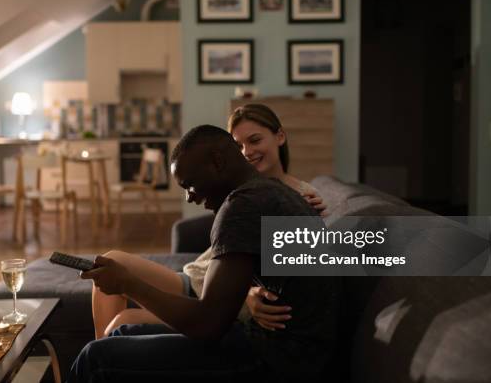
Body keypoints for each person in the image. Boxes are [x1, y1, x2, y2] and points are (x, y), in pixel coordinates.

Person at [68, 125, 341, 382]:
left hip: (277, 361)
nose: (189, 198)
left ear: (218, 162)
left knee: (96, 359)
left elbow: (207, 324)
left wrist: (126, 284)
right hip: (282, 346)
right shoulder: (271, 192)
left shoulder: (242, 206)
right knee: (121, 332)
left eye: (189, 185)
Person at [91, 104, 326, 338]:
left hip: (220, 299)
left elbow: (304, 270)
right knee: (109, 262)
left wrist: (249, 293)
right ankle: (99, 349)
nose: (247, 152)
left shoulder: (301, 198)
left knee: (123, 323)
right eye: (239, 146)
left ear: (280, 136)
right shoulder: (238, 192)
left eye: (255, 141)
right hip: (198, 279)